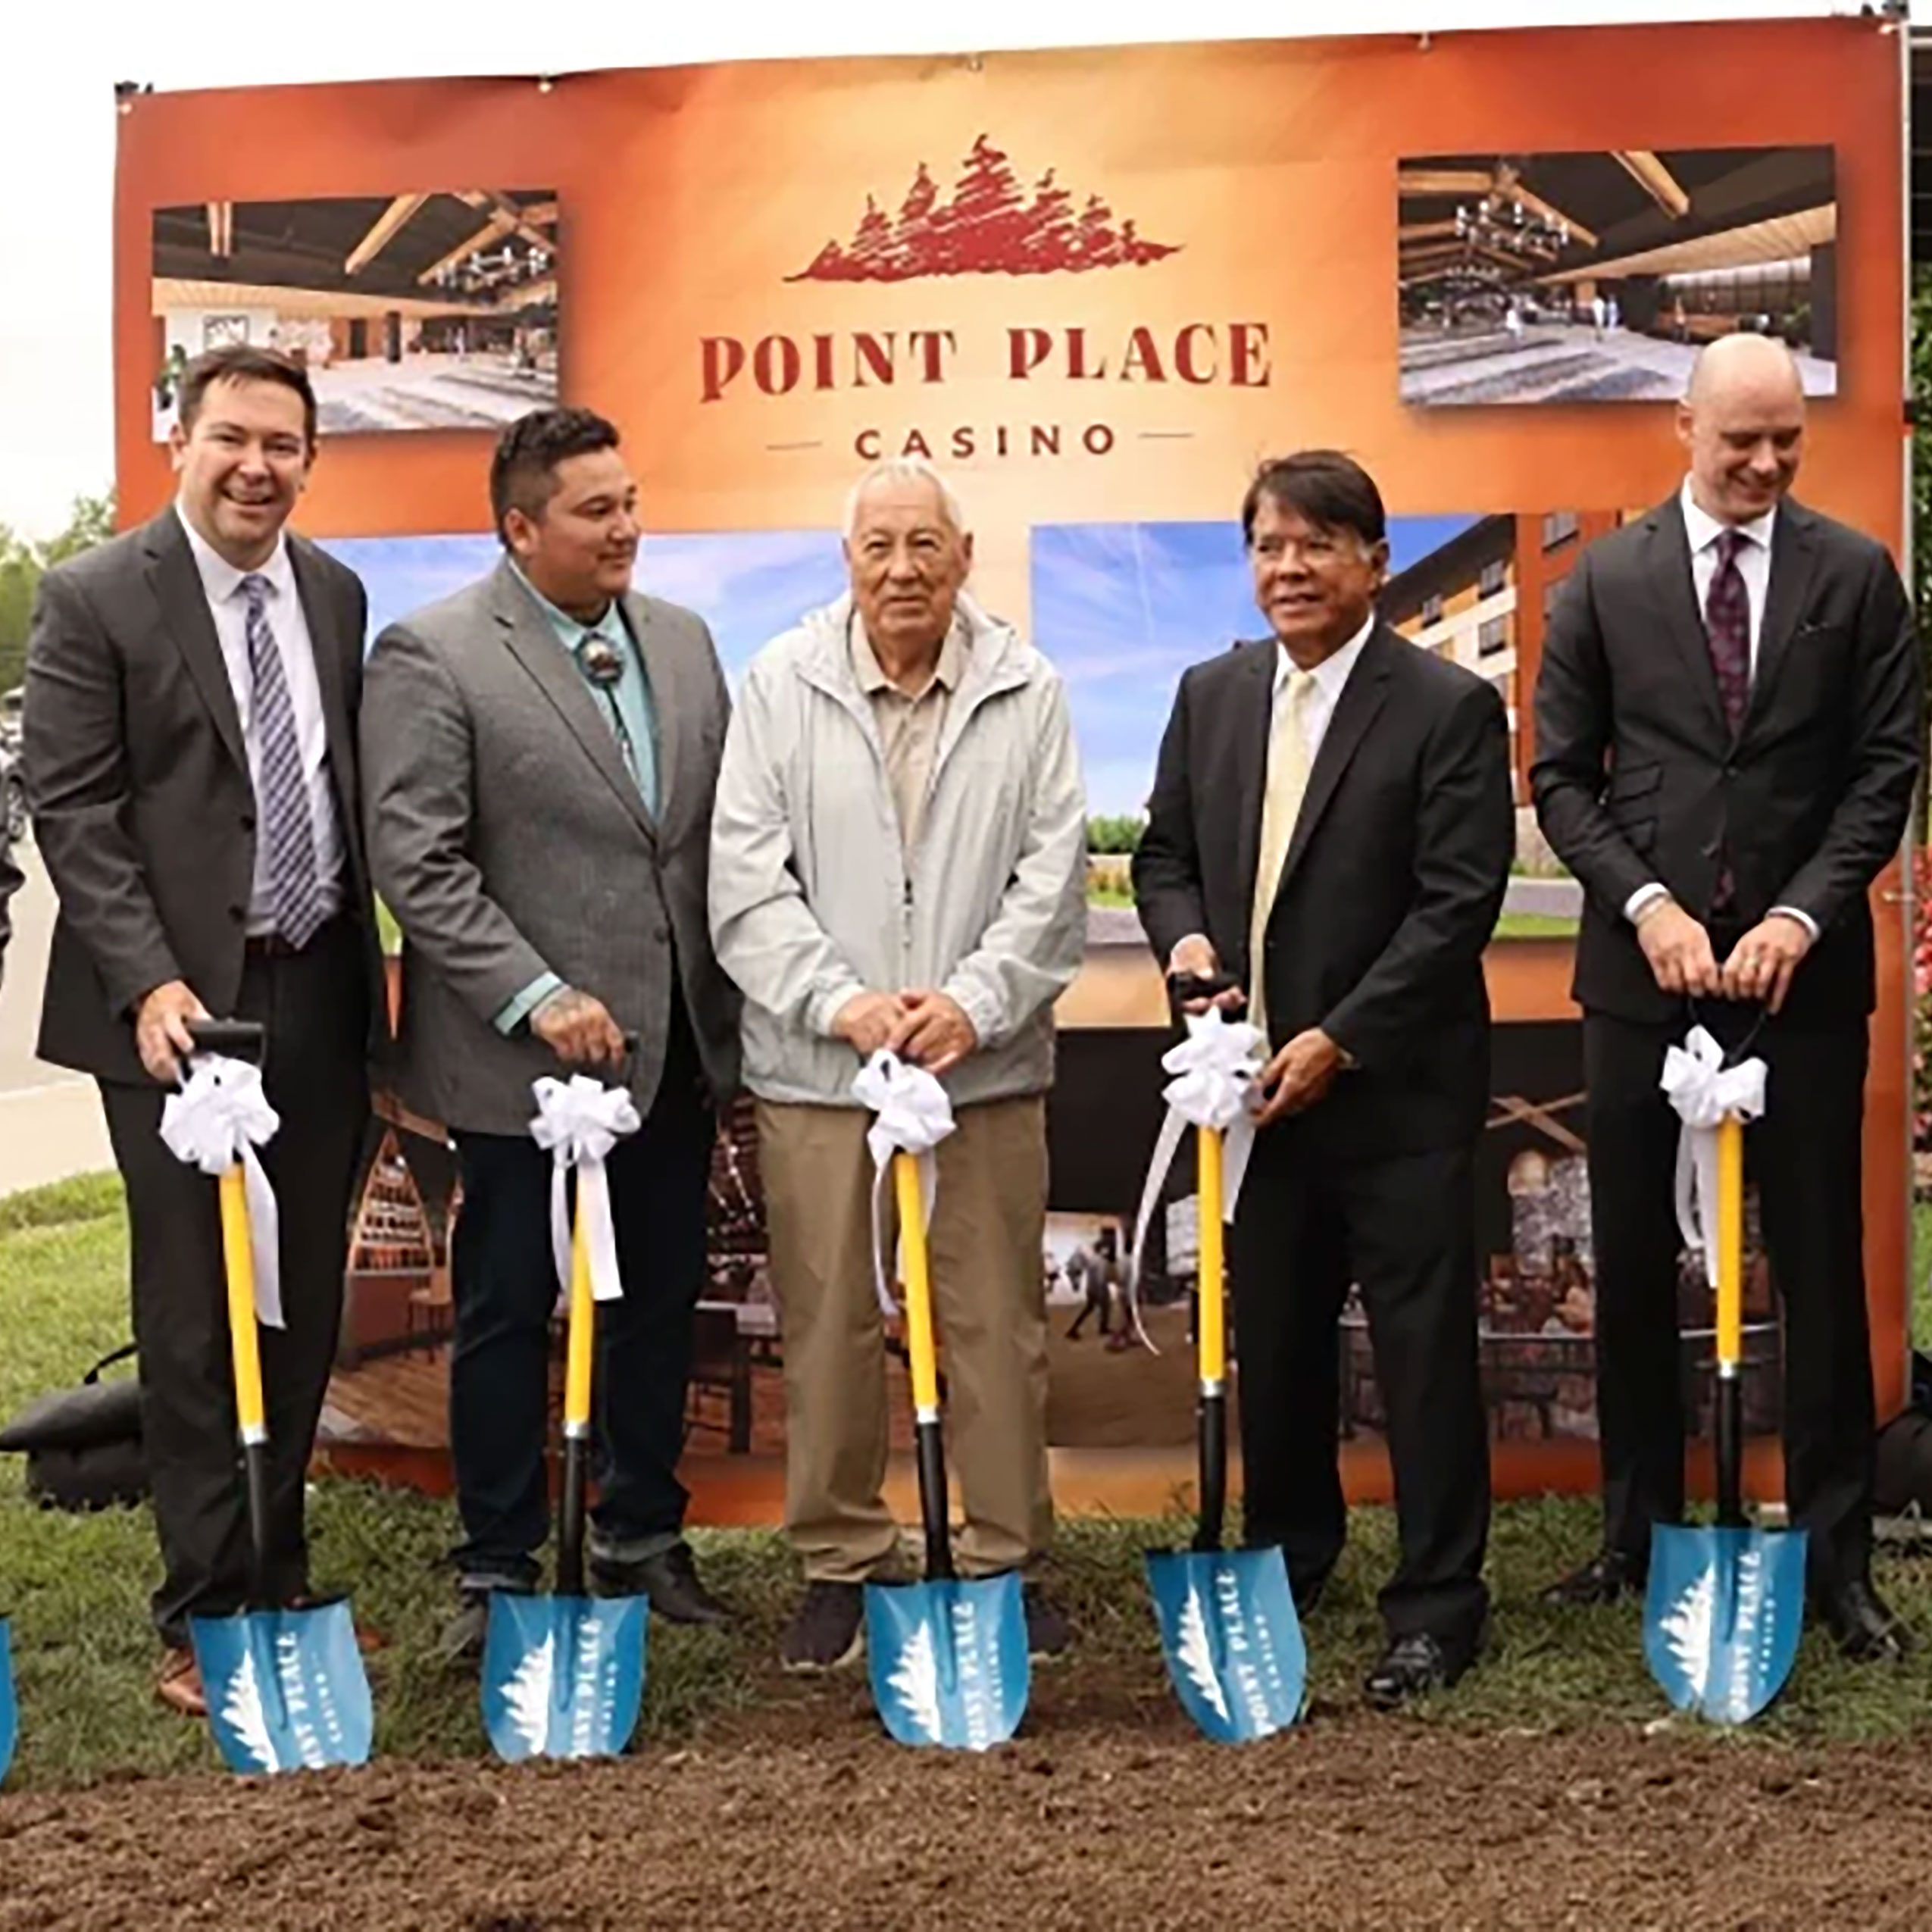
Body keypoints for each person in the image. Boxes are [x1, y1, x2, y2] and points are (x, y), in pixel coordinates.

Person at [1531, 334, 1924, 1658]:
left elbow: (1884, 769)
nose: (1762, 464)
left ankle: (1833, 1560)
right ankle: (1635, 1537)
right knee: (1636, 1263)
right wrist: (1645, 906)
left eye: (1786, 444)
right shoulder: (1603, 582)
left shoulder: (1858, 578)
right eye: (1738, 439)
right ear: (1680, 426)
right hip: (1643, 986)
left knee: (1817, 1267)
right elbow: (1562, 778)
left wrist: (1802, 915)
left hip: (1802, 991)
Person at [22, 345, 383, 1718]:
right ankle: (200, 1609)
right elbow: (77, 811)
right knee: (195, 1315)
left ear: (309, 458)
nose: (255, 466)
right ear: (182, 438)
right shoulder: (98, 594)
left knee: (302, 1317)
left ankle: (278, 1578)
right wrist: (150, 984)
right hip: (175, 1020)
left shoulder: (337, 596)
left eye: (282, 444)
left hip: (322, 996)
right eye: (231, 437)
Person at [1133, 449, 1513, 1708]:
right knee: (1278, 1346)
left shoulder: (1447, 708)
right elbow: (1166, 856)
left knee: (1418, 1356)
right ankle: (1292, 1558)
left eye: (1315, 545)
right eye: (1266, 546)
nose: (1287, 568)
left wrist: (1340, 1036)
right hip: (1254, 1105)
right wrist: (1187, 947)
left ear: (1374, 562)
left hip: (1394, 1095)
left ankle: (1440, 1605)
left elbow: (1456, 907)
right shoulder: (1212, 693)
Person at [361, 408, 741, 1654]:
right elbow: (417, 861)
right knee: (509, 1309)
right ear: (520, 526)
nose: (626, 527)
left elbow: (707, 845)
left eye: (631, 501)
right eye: (595, 510)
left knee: (659, 1300)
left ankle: (643, 1535)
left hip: (670, 1057)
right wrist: (538, 995)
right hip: (515, 1068)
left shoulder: (685, 646)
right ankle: (499, 1567)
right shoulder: (434, 653)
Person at [710, 455, 1087, 1672]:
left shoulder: (1027, 688)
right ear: (847, 563)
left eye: (925, 545)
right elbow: (745, 878)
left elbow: (1053, 875)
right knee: (823, 1323)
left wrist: (971, 1005)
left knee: (994, 1324)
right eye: (878, 547)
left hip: (980, 1070)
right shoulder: (778, 682)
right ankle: (839, 1560)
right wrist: (844, 1004)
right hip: (822, 1074)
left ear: (964, 557)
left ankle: (1002, 1556)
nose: (902, 570)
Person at [1064, 1225, 1123, 1341]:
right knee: (1103, 1306)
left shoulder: (1093, 1260)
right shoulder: (1101, 1261)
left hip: (1092, 1287)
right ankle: (1100, 1328)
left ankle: (1075, 1329)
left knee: (1091, 1308)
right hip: (1099, 1287)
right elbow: (1106, 1276)